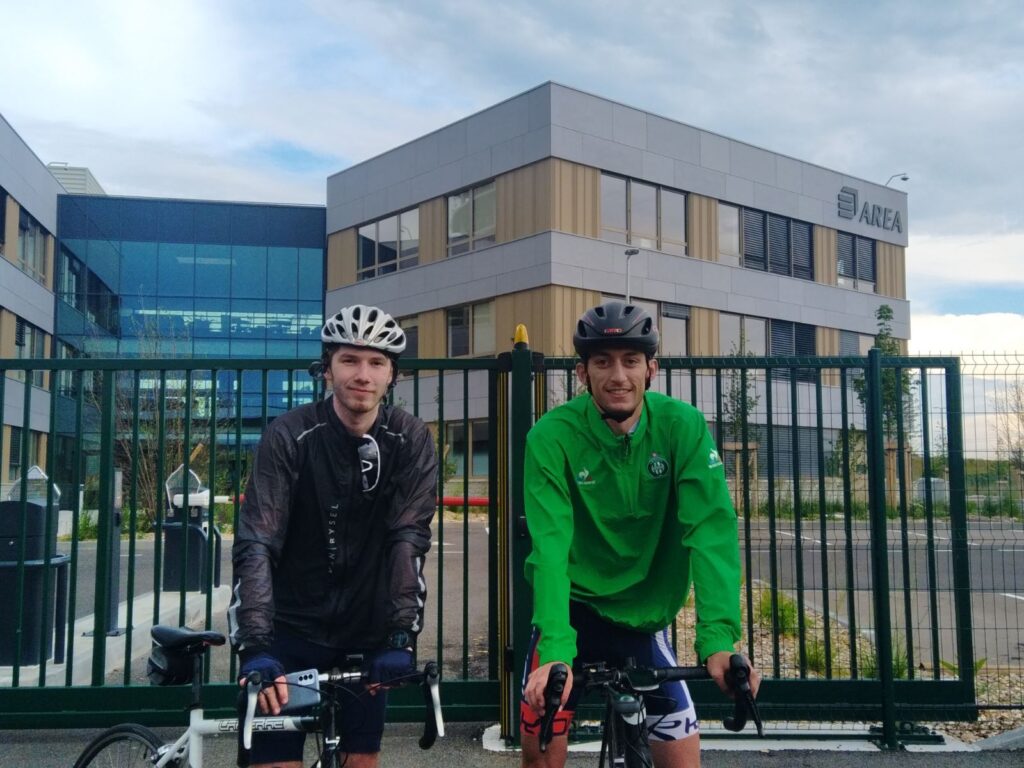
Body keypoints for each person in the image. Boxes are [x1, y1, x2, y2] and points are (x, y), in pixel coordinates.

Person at [519, 300, 760, 768]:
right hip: (571, 610)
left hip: (644, 619)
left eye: (631, 361)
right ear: (582, 373)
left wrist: (717, 641)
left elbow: (710, 532)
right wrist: (555, 651)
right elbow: (550, 547)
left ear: (651, 369)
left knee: (683, 762)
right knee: (540, 756)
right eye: (602, 362)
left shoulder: (682, 426)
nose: (618, 376)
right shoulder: (550, 436)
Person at [229, 304, 438, 768]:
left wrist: (400, 634)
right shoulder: (289, 435)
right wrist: (257, 645)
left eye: (376, 362)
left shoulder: (410, 440)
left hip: (365, 632)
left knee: (360, 760)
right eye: (349, 360)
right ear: (327, 369)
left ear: (392, 375)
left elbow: (408, 539)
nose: (363, 374)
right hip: (289, 630)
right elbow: (258, 541)